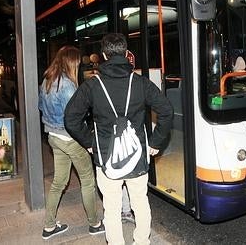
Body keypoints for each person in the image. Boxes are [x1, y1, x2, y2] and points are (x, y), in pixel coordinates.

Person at [64, 33, 173, 245]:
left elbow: (71, 118)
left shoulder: (92, 86)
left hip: (106, 157)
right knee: (140, 202)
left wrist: (89, 143)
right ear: (126, 54)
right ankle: (141, 241)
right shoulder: (141, 83)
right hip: (137, 155)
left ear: (104, 55)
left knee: (111, 207)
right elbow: (167, 111)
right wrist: (155, 142)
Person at [38, 45, 105, 240]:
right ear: (71, 62)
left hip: (53, 137)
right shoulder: (67, 85)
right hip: (70, 139)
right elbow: (74, 117)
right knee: (87, 181)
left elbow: (40, 106)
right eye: (77, 63)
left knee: (59, 182)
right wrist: (87, 140)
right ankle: (94, 223)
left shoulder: (47, 80)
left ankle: (49, 226)